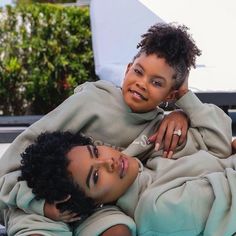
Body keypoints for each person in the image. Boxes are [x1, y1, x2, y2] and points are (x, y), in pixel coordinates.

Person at [0, 22, 229, 236]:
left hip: (101, 207)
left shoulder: (161, 125)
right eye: (138, 72)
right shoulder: (90, 102)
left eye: (156, 83)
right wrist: (40, 204)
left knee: (117, 228)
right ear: (128, 69)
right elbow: (10, 167)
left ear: (170, 95)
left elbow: (218, 147)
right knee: (34, 227)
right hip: (40, 201)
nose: (142, 83)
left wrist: (184, 107)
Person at [18, 127, 235, 236]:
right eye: (95, 176)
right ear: (93, 203)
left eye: (95, 151)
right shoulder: (159, 208)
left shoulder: (153, 159)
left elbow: (219, 138)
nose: (108, 162)